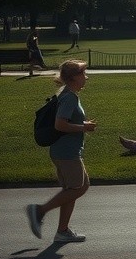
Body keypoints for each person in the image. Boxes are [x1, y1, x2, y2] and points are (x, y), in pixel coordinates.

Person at [25, 59, 96, 243]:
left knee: (78, 187)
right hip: (66, 153)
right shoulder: (70, 97)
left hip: (65, 152)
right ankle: (39, 210)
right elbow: (60, 124)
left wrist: (82, 125)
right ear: (73, 78)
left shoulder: (67, 93)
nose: (86, 77)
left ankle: (62, 231)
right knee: (77, 188)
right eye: (82, 74)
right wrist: (83, 127)